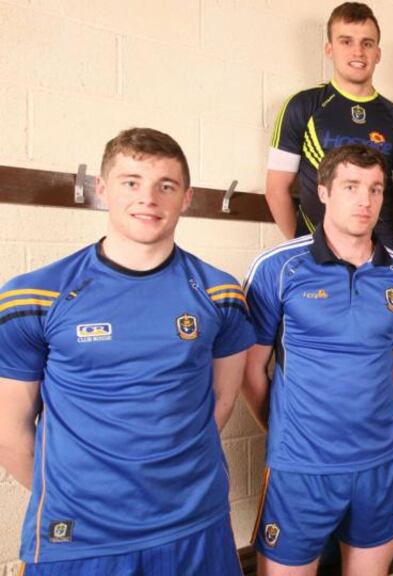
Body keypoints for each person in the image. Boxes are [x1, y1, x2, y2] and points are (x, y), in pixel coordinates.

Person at [0, 128, 254, 575]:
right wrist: (77, 496)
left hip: (196, 526)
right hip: (82, 539)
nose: (148, 199)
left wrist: (166, 478)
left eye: (166, 186)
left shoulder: (221, 294)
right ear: (102, 188)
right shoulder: (33, 296)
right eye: (131, 182)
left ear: (187, 197)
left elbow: (221, 400)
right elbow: (11, 428)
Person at [243, 144, 393, 576]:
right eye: (351, 186)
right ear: (323, 191)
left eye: (376, 189)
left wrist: (371, 431)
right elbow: (250, 372)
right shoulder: (277, 268)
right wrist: (290, 429)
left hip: (377, 467)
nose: (365, 200)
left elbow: (390, 364)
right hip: (300, 469)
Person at [264, 2, 393, 250]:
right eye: (346, 41)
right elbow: (276, 190)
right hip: (317, 255)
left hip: (381, 256)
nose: (358, 52)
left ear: (378, 53)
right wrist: (305, 246)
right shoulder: (303, 106)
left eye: (367, 43)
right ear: (329, 49)